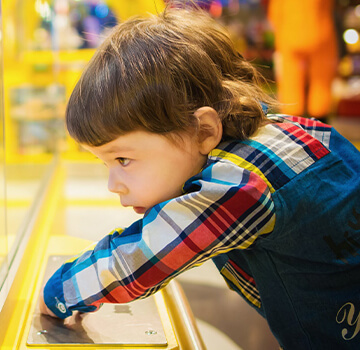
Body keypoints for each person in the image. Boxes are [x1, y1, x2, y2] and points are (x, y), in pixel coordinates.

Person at [39, 4, 360, 349]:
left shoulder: (240, 185)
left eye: (123, 159)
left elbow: (139, 258)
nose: (113, 183)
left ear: (203, 130)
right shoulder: (294, 132)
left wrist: (57, 294)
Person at [267, 0, 338, 122]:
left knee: (290, 80)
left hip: (289, 33)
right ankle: (320, 117)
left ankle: (292, 117)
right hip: (319, 31)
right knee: (320, 80)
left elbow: (275, 13)